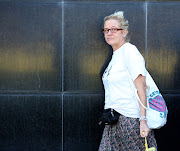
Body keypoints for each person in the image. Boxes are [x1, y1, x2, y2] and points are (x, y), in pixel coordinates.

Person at [99, 11, 157, 150]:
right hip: (113, 119)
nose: (109, 33)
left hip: (130, 120)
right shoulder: (116, 55)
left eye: (114, 29)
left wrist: (143, 120)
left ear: (124, 32)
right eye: (106, 30)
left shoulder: (130, 52)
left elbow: (141, 86)